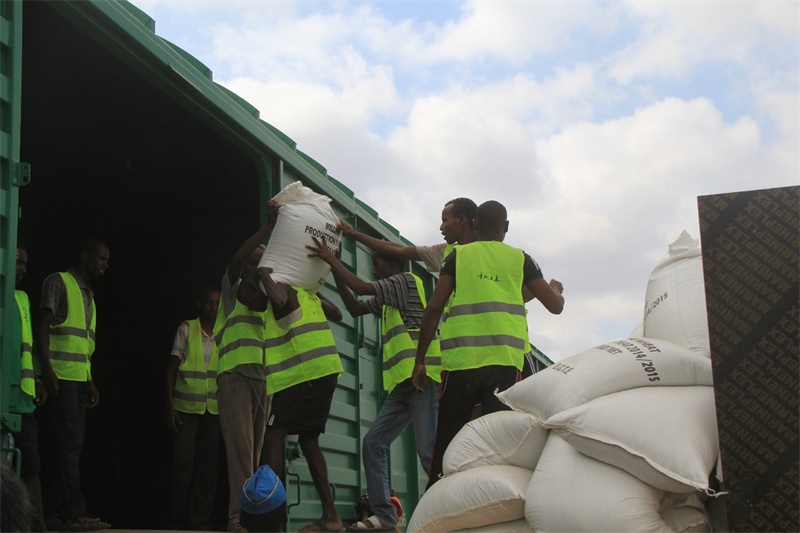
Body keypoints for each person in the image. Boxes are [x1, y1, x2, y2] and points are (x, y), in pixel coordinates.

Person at [411, 201, 565, 488]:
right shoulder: (521, 259)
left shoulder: (458, 257)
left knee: (445, 443)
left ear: (477, 225)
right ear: (506, 227)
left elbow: (433, 308)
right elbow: (555, 306)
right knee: (501, 445)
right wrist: (556, 289)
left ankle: (434, 506)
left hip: (461, 366)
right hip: (505, 366)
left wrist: (420, 360)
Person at [307, 239, 441, 533]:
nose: (373, 268)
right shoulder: (390, 292)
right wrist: (334, 266)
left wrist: (331, 259)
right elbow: (355, 308)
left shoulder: (403, 281)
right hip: (402, 386)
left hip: (421, 380)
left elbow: (362, 288)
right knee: (373, 443)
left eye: (377, 262)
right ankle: (384, 516)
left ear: (393, 263)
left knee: (428, 452)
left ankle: (451, 508)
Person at [257, 215, 345, 533]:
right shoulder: (308, 292)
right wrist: (317, 295)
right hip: (325, 370)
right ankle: (331, 516)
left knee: (275, 434)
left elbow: (279, 299)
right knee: (309, 441)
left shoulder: (282, 286)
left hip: (303, 373)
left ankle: (270, 517)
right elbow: (337, 312)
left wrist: (264, 273)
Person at [36, 238, 111, 532]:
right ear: (84, 256)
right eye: (101, 258)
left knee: (66, 447)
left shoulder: (88, 294)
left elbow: (83, 345)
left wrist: (90, 381)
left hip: (79, 381)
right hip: (61, 378)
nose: (105, 264)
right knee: (68, 446)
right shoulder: (60, 282)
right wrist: (47, 371)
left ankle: (54, 512)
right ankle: (74, 512)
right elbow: (43, 324)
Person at [215, 205, 277, 533]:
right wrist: (268, 228)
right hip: (235, 376)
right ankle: (237, 520)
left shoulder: (269, 298)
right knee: (241, 455)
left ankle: (250, 518)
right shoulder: (232, 290)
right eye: (252, 264)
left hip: (262, 381)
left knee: (253, 457)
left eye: (261, 265)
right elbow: (239, 258)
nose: (255, 269)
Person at [166, 285, 222, 531]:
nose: (214, 307)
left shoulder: (225, 332)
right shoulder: (187, 328)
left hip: (214, 410)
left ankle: (199, 522)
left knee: (208, 469)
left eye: (218, 302)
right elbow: (171, 370)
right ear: (200, 304)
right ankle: (177, 522)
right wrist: (170, 407)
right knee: (182, 467)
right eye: (209, 302)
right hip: (186, 409)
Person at [8, 245, 47, 531]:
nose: (22, 269)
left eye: (25, 264)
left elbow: (27, 347)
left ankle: (38, 527)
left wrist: (38, 380)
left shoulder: (22, 298)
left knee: (30, 466)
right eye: (17, 262)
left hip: (21, 398)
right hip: (2, 397)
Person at [338, 198, 477, 273]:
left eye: (445, 221)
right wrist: (354, 234)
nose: (441, 227)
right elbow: (400, 250)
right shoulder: (443, 252)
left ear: (462, 220)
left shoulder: (492, 251)